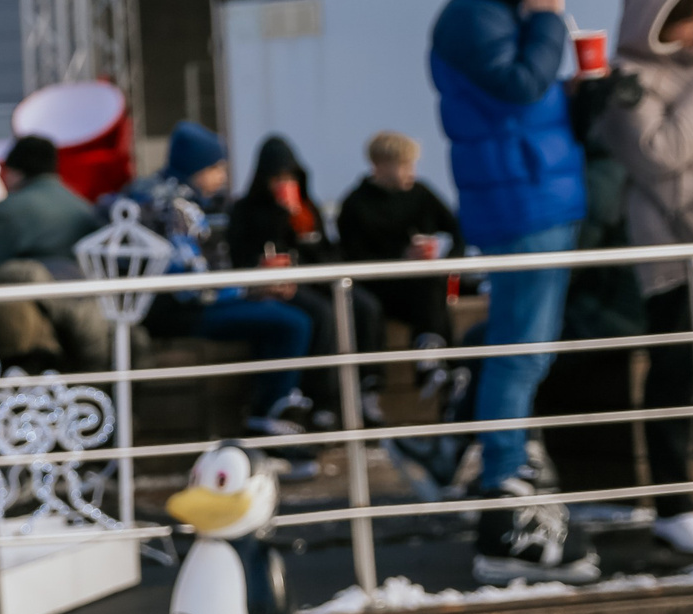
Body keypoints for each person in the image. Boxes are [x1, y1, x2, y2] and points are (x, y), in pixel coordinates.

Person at [428, 0, 594, 581]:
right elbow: (522, 88)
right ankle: (505, 479)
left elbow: (533, 102)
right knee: (521, 353)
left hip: (535, 199)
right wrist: (549, 18)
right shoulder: (472, 20)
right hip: (521, 207)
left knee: (526, 348)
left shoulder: (495, 16)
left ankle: (502, 461)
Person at [594, 0, 693, 559]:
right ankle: (675, 503)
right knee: (675, 380)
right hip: (674, 259)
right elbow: (662, 157)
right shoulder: (627, 80)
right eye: (688, 20)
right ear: (655, 16)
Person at [122, 122, 317, 443]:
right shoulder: (179, 207)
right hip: (174, 310)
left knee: (281, 315)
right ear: (196, 167)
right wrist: (249, 289)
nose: (223, 177)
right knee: (293, 323)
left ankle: (270, 410)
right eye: (217, 168)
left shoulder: (158, 192)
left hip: (162, 304)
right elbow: (192, 286)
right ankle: (268, 417)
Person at [225, 136, 385, 422]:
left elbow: (328, 251)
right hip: (278, 287)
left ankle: (366, 388)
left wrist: (304, 229)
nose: (283, 184)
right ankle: (323, 401)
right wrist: (280, 217)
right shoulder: (247, 209)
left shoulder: (308, 208)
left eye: (289, 177)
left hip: (317, 278)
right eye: (277, 177)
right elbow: (243, 255)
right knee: (322, 315)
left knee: (365, 306)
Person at [0, 134, 106, 372]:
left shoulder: (5, 214)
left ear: (14, 172)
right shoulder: (83, 209)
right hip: (92, 327)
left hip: (30, 348)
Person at [335, 131, 458, 359]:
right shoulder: (355, 204)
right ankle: (431, 356)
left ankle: (435, 356)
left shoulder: (421, 193)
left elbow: (456, 229)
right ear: (380, 165)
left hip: (420, 286)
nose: (411, 171)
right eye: (404, 165)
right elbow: (353, 257)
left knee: (433, 282)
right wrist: (402, 257)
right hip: (379, 288)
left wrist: (448, 259)